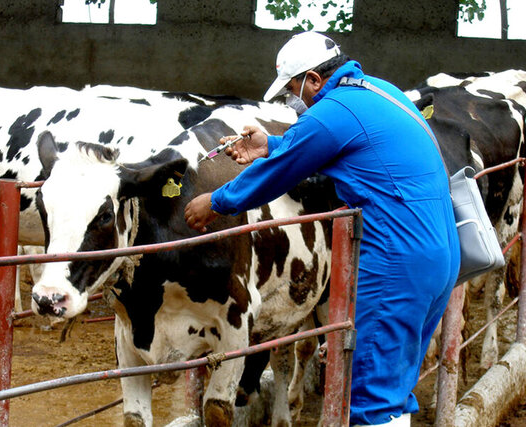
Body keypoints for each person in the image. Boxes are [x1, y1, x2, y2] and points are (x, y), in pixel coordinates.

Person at [184, 30, 460, 427]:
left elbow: (280, 173)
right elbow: (327, 143)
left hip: (397, 260)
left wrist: (216, 202)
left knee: (369, 395)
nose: (294, 99)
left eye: (294, 88)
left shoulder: (333, 110)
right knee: (394, 385)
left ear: (314, 79)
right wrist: (273, 144)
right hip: (438, 254)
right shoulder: (378, 91)